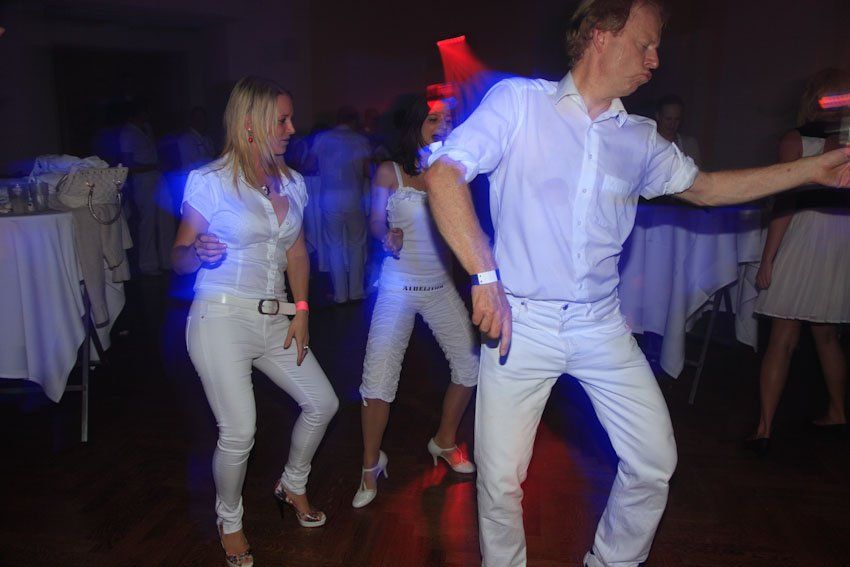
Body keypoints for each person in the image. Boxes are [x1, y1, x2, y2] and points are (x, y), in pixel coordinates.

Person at [423, 1, 850, 565]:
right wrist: (484, 274)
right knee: (500, 481)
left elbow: (708, 188)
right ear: (601, 35)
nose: (655, 60)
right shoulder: (519, 103)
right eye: (645, 44)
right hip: (519, 325)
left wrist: (812, 169)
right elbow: (444, 173)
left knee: (653, 462)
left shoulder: (641, 138)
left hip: (601, 324)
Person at [172, 77, 339, 567]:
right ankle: (229, 520)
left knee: (323, 403)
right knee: (239, 430)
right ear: (250, 123)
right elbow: (178, 256)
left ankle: (292, 483)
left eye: (290, 118)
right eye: (281, 120)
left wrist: (302, 311)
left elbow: (297, 252)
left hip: (276, 317)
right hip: (220, 316)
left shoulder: (293, 183)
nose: (292, 128)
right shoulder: (211, 181)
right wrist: (196, 253)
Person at [352, 98, 479, 508]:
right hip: (397, 288)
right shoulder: (389, 171)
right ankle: (370, 465)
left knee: (470, 367)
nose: (444, 124)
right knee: (377, 382)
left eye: (448, 119)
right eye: (434, 118)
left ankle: (444, 440)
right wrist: (385, 235)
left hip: (440, 287)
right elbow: (375, 220)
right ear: (414, 124)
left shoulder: (452, 170)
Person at [748, 68, 850, 453]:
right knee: (826, 335)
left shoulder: (797, 139)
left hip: (806, 234)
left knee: (783, 337)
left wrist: (768, 260)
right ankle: (838, 412)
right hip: (841, 237)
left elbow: (785, 200)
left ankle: (764, 428)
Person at [310, 106, 372, 304]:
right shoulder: (360, 140)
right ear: (354, 120)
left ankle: (340, 295)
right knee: (357, 244)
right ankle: (356, 292)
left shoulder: (322, 138)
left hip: (329, 198)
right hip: (353, 197)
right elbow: (366, 170)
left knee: (334, 246)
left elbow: (311, 164)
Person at [120, 99, 175, 275]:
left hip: (158, 177)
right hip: (143, 180)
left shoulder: (147, 128)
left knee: (166, 219)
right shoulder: (127, 133)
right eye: (145, 111)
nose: (148, 115)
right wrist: (153, 166)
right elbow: (128, 165)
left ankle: (167, 260)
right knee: (148, 222)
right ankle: (148, 264)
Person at [655, 93, 701, 166]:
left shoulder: (690, 144)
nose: (672, 124)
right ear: (658, 116)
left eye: (677, 119)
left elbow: (696, 171)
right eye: (668, 119)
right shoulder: (647, 143)